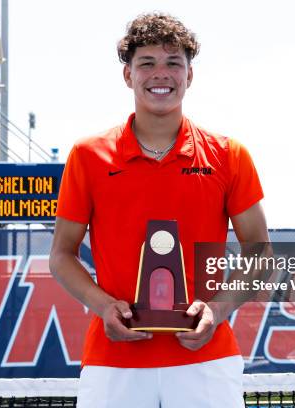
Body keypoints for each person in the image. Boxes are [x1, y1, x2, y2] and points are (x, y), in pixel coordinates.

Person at [49, 12, 269, 408]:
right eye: (146, 63)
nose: (160, 74)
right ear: (128, 75)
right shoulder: (87, 156)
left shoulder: (229, 155)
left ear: (190, 75)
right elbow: (61, 255)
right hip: (113, 364)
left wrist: (217, 311)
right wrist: (104, 307)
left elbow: (259, 251)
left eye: (173, 63)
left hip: (206, 360)